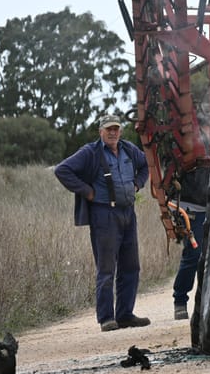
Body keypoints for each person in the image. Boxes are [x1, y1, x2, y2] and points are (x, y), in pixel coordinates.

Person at [55, 113, 151, 332]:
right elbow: (62, 170)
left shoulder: (128, 149)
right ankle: (107, 318)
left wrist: (138, 184)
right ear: (101, 132)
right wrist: (87, 192)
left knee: (131, 266)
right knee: (106, 269)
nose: (113, 132)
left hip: (128, 213)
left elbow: (147, 164)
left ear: (120, 131)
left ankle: (125, 315)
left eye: (116, 128)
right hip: (104, 215)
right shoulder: (90, 152)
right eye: (109, 129)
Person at [172, 165, 210, 320]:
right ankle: (180, 300)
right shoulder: (181, 150)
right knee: (194, 254)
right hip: (190, 206)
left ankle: (204, 303)